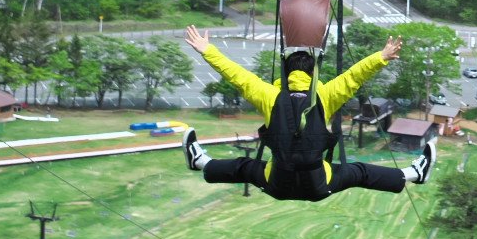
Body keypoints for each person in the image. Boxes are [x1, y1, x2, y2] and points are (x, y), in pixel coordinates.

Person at [180, 26, 434, 200]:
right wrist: (381, 57)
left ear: (285, 73)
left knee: (244, 167)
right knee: (359, 173)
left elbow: (237, 75)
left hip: (277, 183)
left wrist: (208, 50)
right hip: (318, 185)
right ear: (313, 74)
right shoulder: (324, 96)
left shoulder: (269, 96)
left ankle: (199, 161)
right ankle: (414, 174)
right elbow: (354, 76)